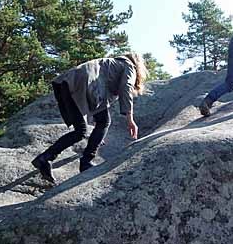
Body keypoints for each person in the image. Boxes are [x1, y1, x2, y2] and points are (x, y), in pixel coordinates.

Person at [32, 53, 148, 183]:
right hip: (85, 85)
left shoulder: (108, 64)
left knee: (81, 130)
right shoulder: (128, 65)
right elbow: (126, 88)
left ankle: (45, 158)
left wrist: (97, 136)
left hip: (67, 82)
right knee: (103, 122)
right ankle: (86, 161)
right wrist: (130, 118)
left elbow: (94, 104)